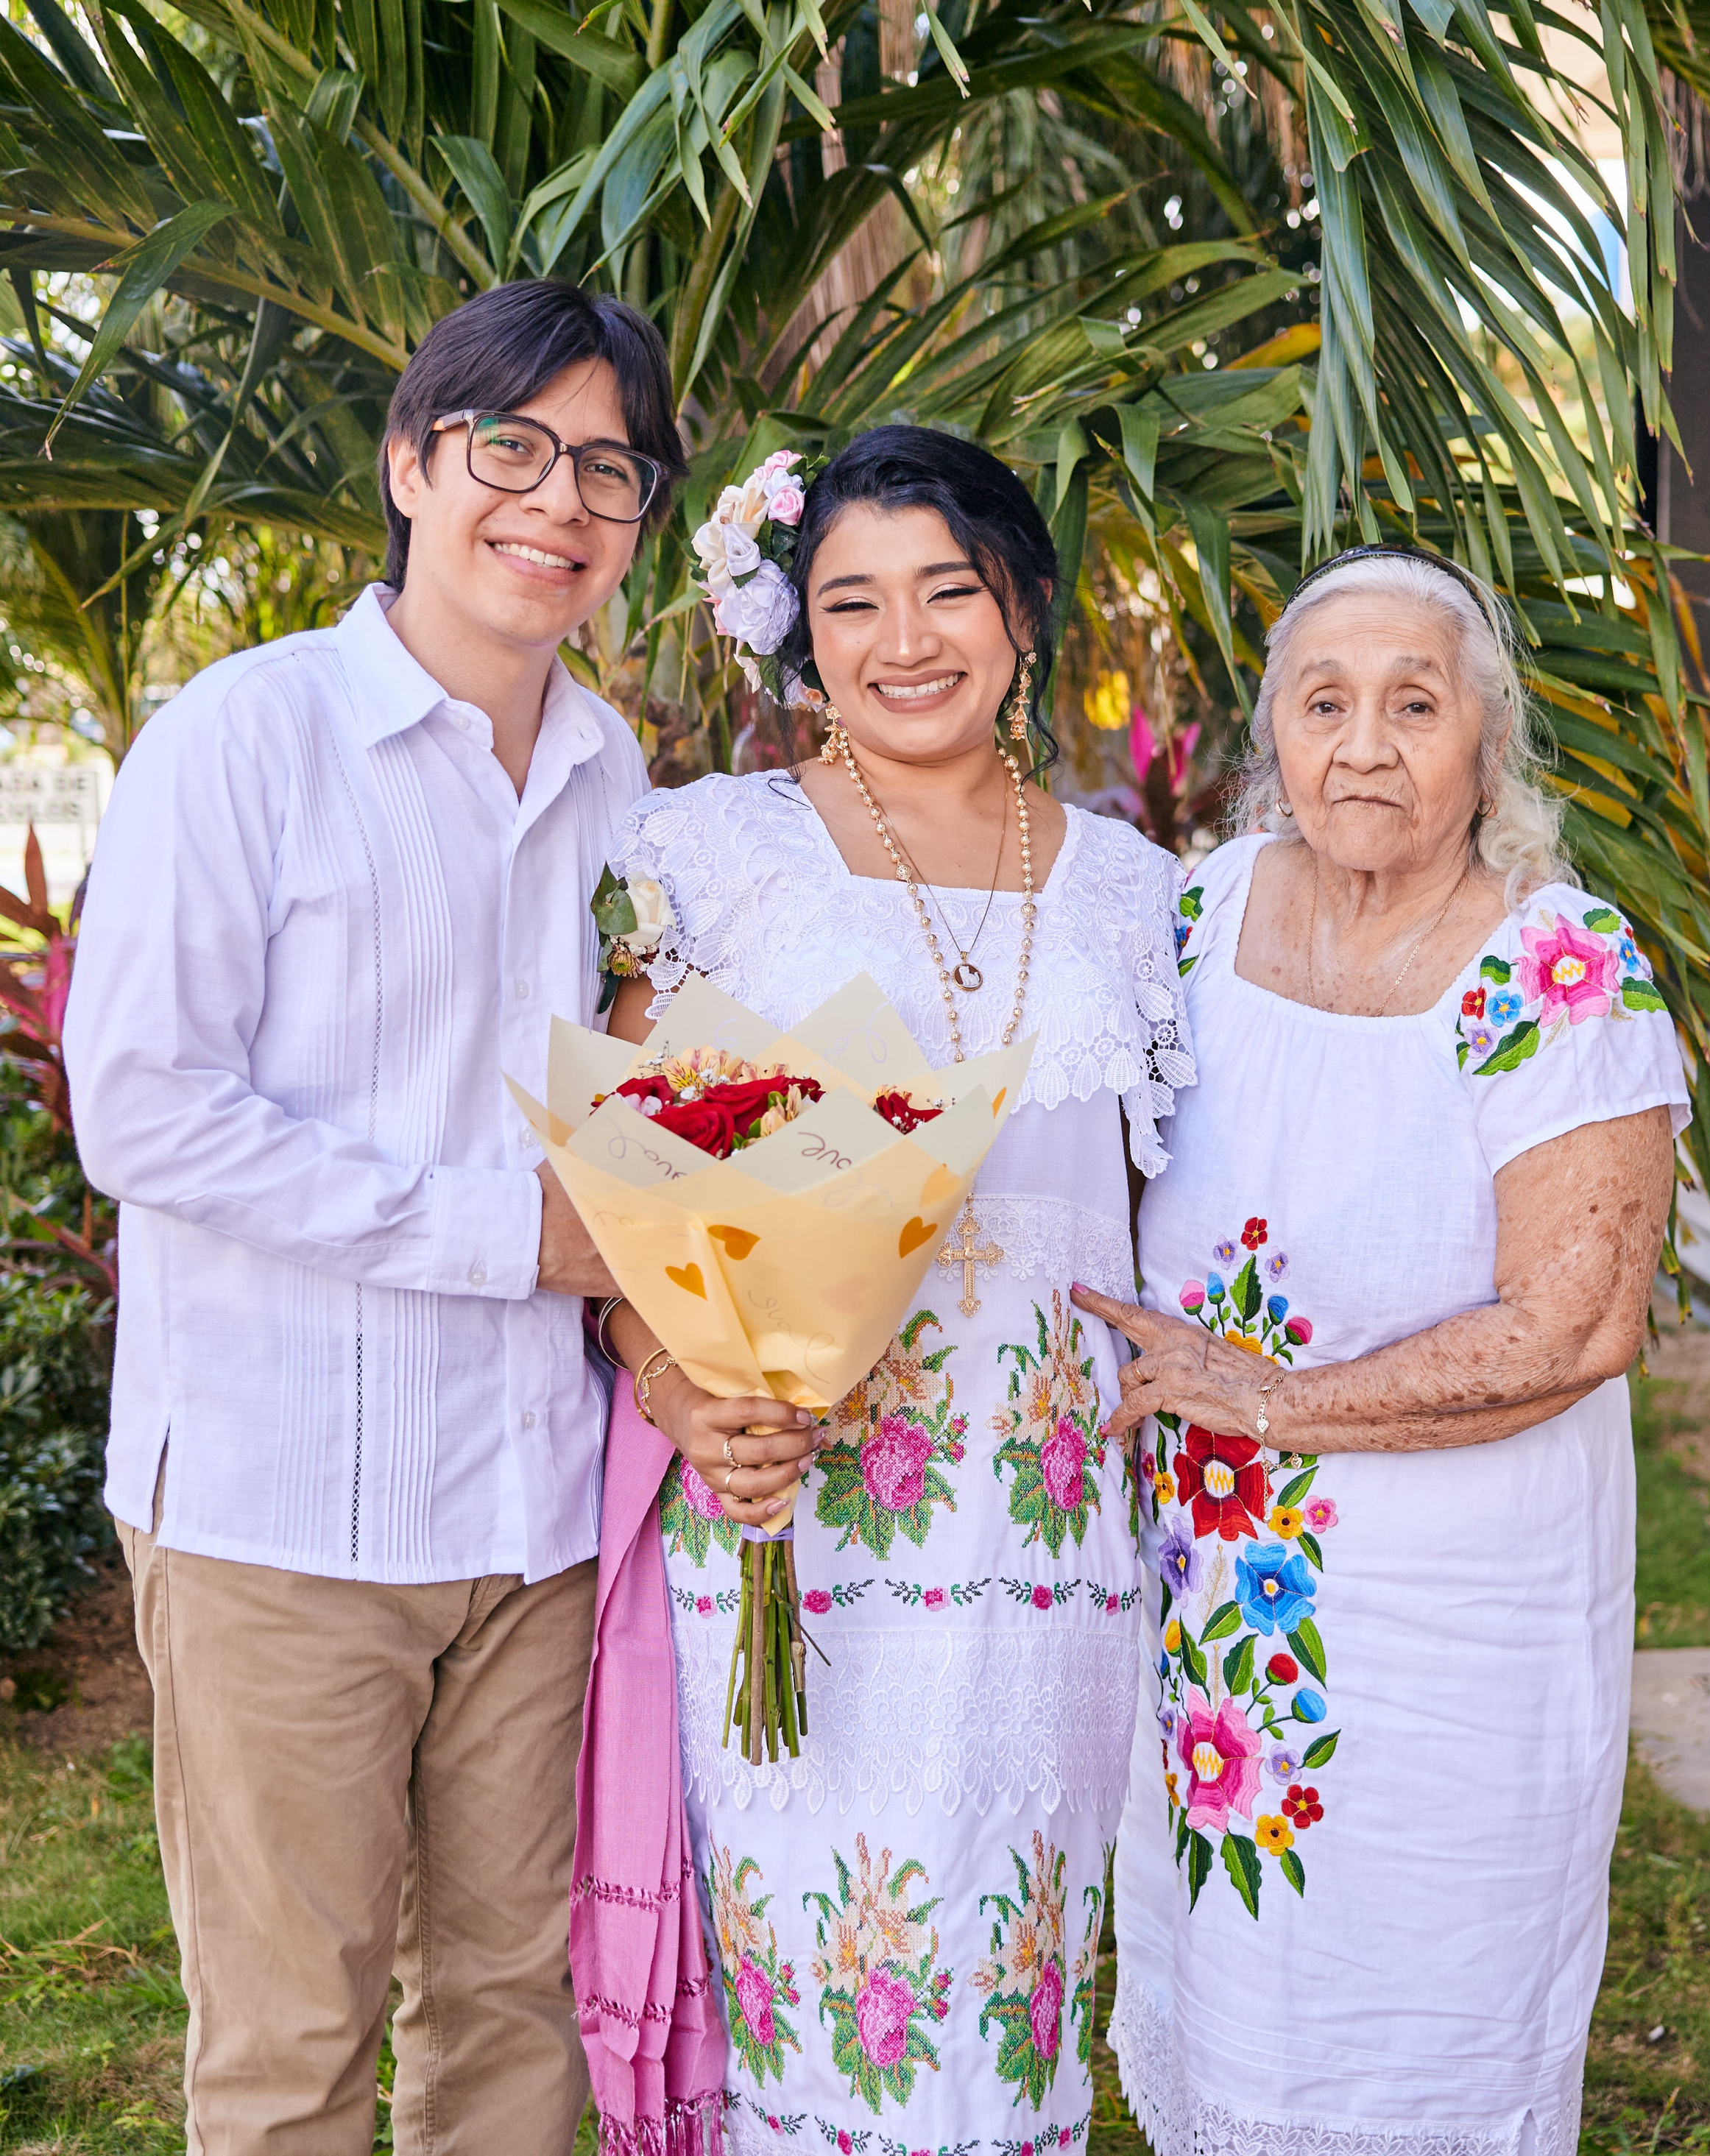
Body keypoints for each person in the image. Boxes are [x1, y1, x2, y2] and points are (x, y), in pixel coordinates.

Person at [63, 280, 686, 2155]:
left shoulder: (615, 779)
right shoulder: (241, 740)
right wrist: (517, 1236)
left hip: (532, 1513)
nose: (556, 502)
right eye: (511, 448)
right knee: (289, 2050)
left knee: (514, 2024)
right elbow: (144, 1109)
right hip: (284, 1514)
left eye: (608, 467)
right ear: (413, 464)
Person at [589, 425, 1195, 2151]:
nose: (903, 637)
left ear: (1020, 608)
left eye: (949, 588)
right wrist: (673, 1378)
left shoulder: (1139, 897)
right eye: (850, 599)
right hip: (797, 1510)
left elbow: (1162, 1210)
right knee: (830, 2004)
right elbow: (623, 1181)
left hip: (1055, 1536)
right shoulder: (710, 854)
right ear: (796, 631)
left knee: (1010, 2012)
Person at [1072, 545, 1690, 2155]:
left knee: (1431, 2001)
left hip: (1460, 1622)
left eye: (1413, 704)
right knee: (1238, 2000)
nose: (1364, 745)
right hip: (1217, 1607)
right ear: (1267, 731)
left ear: (1483, 739)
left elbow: (1576, 1321)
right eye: (1323, 700)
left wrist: (1273, 1399)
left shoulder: (1557, 972)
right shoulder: (1189, 922)